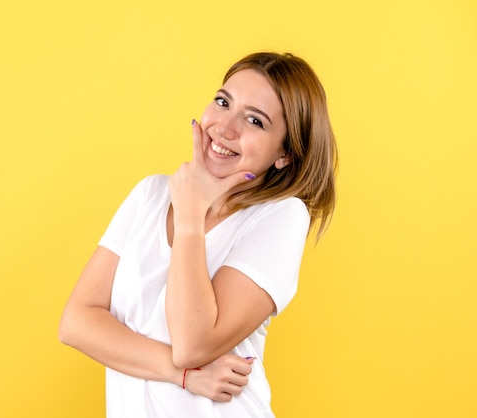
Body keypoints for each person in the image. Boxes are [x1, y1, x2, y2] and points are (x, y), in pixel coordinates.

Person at [59, 51, 337, 418]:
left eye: (255, 120)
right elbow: (76, 322)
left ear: (284, 153)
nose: (225, 127)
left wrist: (190, 214)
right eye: (223, 102)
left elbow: (193, 344)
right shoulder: (151, 194)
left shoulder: (281, 216)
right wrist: (182, 375)